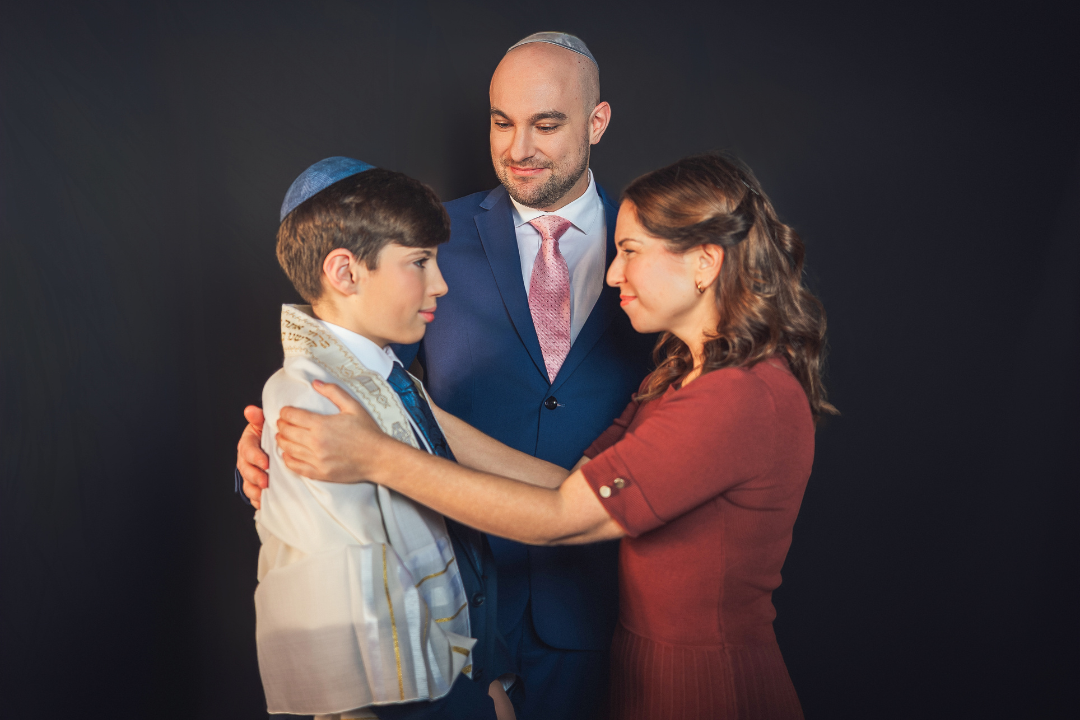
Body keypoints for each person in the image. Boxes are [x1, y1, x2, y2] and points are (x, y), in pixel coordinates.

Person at [269, 153, 836, 719]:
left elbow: (564, 516)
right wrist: (393, 410)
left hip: (707, 687)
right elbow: (571, 483)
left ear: (705, 263)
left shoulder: (737, 395)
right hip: (643, 668)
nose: (612, 274)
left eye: (630, 252)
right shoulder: (675, 379)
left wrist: (377, 456)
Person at [238, 32, 655, 720]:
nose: (519, 147)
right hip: (460, 615)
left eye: (546, 124)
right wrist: (270, 452)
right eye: (502, 122)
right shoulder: (431, 235)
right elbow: (364, 378)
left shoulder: (655, 250)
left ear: (597, 121)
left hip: (603, 600)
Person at [252, 157, 518, 720]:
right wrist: (471, 709)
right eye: (420, 261)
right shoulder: (311, 399)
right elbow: (367, 617)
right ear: (345, 273)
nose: (441, 284)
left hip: (467, 675)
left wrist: (486, 672)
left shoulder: (391, 380)